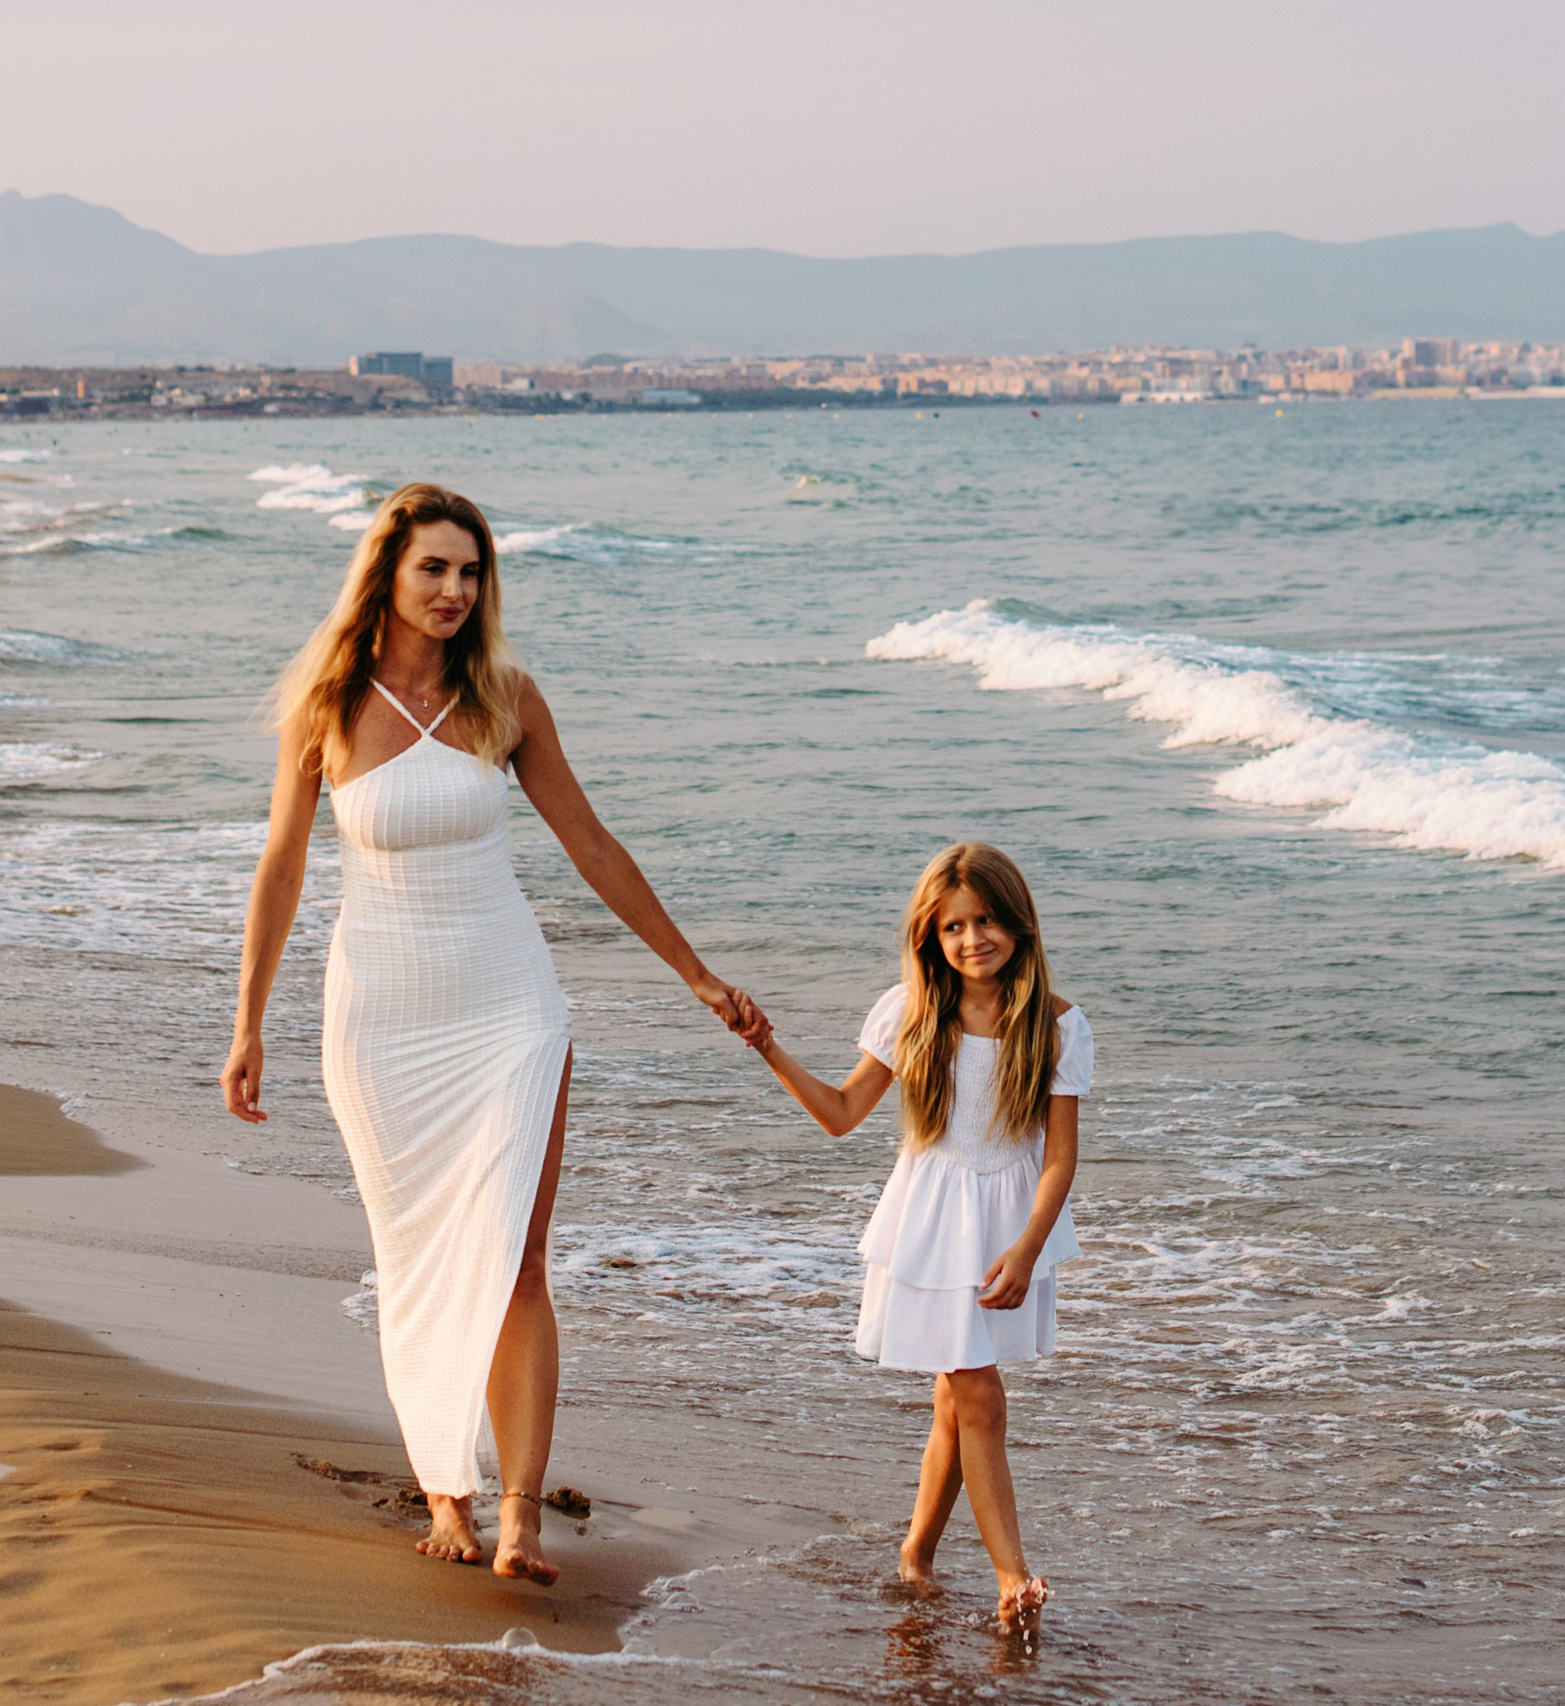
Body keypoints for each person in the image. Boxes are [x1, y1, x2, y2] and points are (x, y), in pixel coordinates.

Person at [223, 481, 764, 1584]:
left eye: (471, 572)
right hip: (378, 1014)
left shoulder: (506, 696)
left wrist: (694, 971)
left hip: (508, 1003)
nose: (455, 591)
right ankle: (444, 1492)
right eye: (434, 568)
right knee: (416, 1253)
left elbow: (593, 845)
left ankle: (516, 1512)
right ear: (387, 573)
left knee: (517, 1257)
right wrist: (248, 1022)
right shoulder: (324, 704)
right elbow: (280, 870)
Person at [740, 841, 1087, 1625]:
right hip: (932, 1223)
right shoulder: (910, 1011)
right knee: (979, 1398)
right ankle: (1013, 1579)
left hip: (1009, 1226)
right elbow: (839, 1113)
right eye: (955, 926)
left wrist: (1029, 1247)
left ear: (1019, 922)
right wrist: (770, 1048)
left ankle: (917, 1553)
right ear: (933, 935)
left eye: (988, 919)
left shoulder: (1059, 1025)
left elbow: (1060, 1158)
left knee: (955, 1401)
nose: (973, 938)